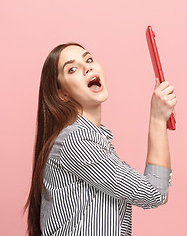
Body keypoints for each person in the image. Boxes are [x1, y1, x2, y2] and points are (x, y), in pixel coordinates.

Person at [24, 42, 178, 236]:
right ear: (62, 94)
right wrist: (157, 119)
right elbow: (155, 193)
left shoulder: (93, 138)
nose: (87, 67)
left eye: (88, 59)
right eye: (72, 69)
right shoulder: (77, 141)